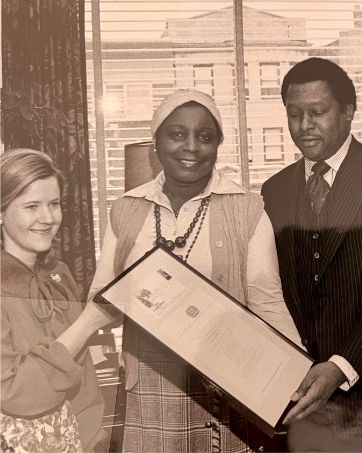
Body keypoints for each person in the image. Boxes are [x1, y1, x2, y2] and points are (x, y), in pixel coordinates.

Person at [88, 89, 302, 453]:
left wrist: (293, 374)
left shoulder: (246, 209)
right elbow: (100, 302)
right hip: (150, 391)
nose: (191, 147)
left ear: (218, 145)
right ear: (156, 142)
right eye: (176, 134)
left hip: (225, 389)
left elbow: (267, 300)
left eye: (205, 137)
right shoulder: (126, 210)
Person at [261, 57, 362, 425]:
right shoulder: (274, 190)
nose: (304, 126)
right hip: (302, 399)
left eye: (317, 112)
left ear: (349, 112)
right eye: (294, 114)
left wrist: (340, 366)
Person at [1, 149, 107, 452]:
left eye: (54, 204)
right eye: (31, 206)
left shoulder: (58, 276)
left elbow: (83, 382)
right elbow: (16, 391)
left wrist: (94, 441)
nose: (48, 218)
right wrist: (88, 322)